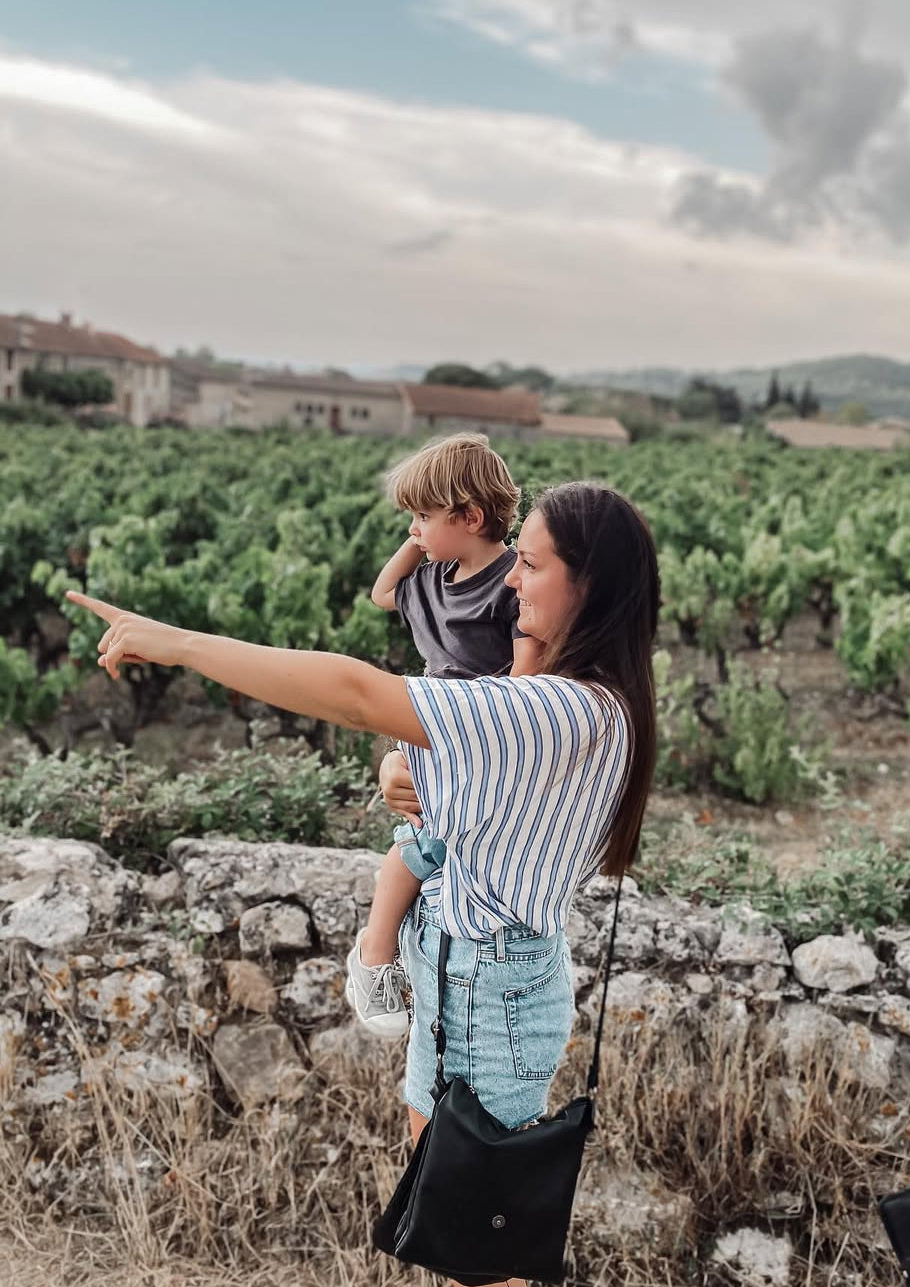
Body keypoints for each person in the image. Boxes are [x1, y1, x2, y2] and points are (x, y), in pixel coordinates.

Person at [66, 479, 659, 1287]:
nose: (511, 580)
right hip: (458, 981)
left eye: (530, 564)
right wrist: (400, 766)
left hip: (493, 998)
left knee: (483, 1258)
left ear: (590, 583)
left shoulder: (567, 710)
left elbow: (356, 696)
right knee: (452, 1232)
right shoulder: (570, 700)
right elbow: (453, 761)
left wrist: (182, 643)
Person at [349, 432, 543, 1036]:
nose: (415, 530)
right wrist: (417, 543)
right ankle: (373, 955)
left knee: (455, 843)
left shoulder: (512, 581)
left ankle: (403, 950)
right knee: (431, 840)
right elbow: (382, 594)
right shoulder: (432, 576)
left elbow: (525, 677)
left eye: (425, 517)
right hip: (437, 725)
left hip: (483, 726)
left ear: (471, 517)